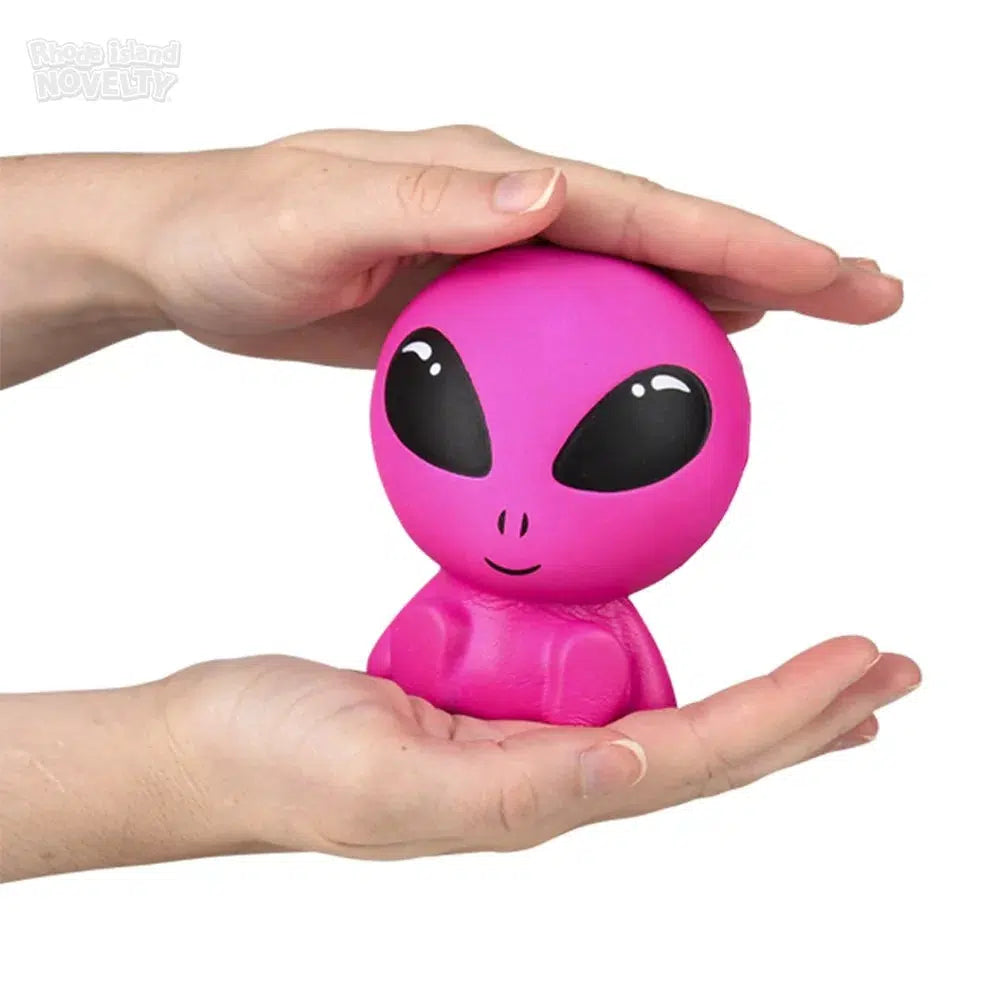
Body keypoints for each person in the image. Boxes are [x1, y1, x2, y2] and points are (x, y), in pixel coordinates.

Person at [0, 125, 920, 881]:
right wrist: (181, 769)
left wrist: (132, 233)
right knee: (449, 636)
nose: (513, 517)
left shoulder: (605, 605)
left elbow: (647, 691)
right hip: (456, 631)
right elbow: (399, 659)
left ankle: (569, 668)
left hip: (574, 641)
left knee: (574, 653)